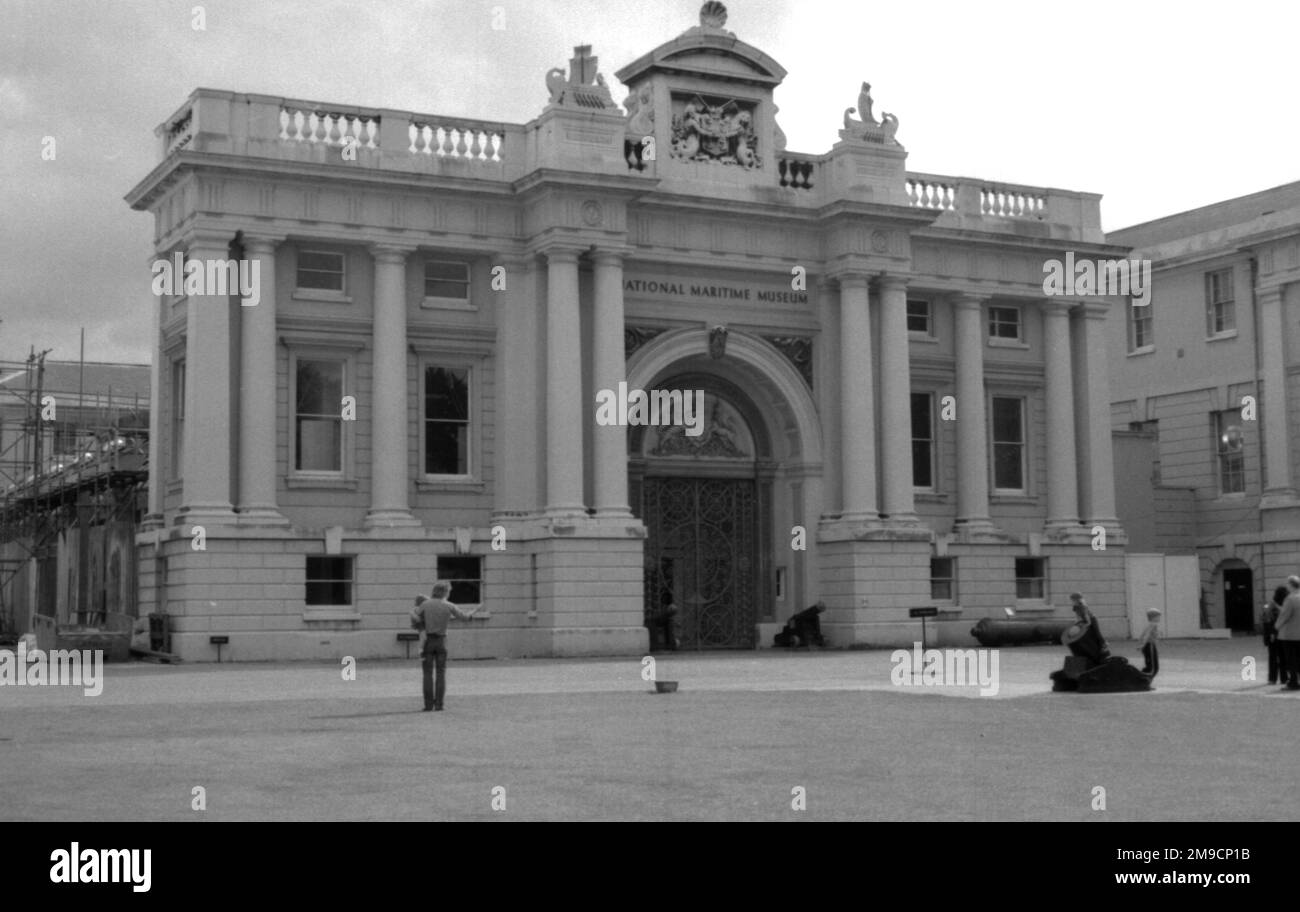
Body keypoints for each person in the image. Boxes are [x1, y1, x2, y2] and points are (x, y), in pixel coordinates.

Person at [410, 580, 478, 711]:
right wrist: (472, 613)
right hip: (441, 641)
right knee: (441, 673)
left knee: (427, 674)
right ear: (445, 592)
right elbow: (464, 618)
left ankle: (428, 705)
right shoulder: (449, 605)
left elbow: (416, 616)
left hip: (428, 641)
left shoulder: (425, 604)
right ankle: (439, 704)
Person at [1065, 592, 1111, 667]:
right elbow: (1078, 617)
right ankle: (1097, 649)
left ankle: (1104, 644)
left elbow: (1088, 619)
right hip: (1085, 620)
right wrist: (1078, 623)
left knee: (1097, 633)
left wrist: (1085, 625)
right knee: (1091, 635)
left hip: (1092, 619)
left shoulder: (1082, 606)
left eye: (1072, 600)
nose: (1071, 601)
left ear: (1076, 600)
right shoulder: (1075, 607)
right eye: (1071, 600)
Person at [1275, 576, 1300, 691]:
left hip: (1289, 634)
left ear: (1291, 585)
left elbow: (1284, 615)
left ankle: (1293, 682)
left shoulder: (1290, 598)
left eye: (1288, 584)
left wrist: (1276, 626)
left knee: (1291, 660)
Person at [1263, 585, 1289, 685]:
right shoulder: (1284, 604)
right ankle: (1284, 678)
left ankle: (1272, 678)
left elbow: (1266, 620)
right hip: (1281, 634)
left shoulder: (1271, 605)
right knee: (1283, 657)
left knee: (1273, 657)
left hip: (1273, 635)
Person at [1135, 607, 1161, 678]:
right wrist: (1142, 645)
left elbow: (1142, 634)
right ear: (1153, 617)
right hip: (1150, 645)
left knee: (1149, 665)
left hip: (1147, 646)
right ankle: (1144, 681)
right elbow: (1146, 635)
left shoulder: (1149, 625)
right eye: (1158, 616)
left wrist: (1139, 644)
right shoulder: (1153, 625)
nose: (1159, 618)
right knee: (1153, 667)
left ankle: (1143, 680)